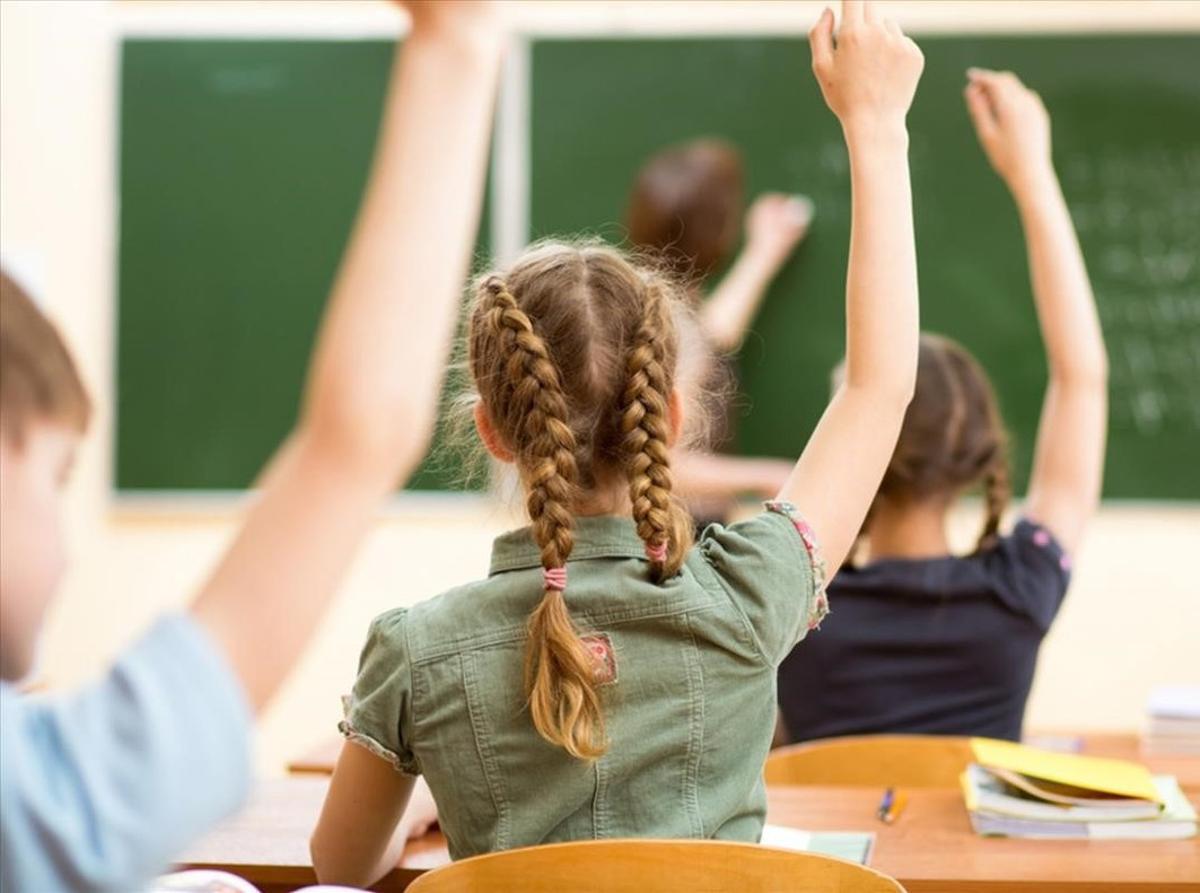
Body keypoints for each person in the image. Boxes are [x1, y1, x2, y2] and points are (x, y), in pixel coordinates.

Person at [312, 3, 924, 884]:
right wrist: (878, 127)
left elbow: (339, 864)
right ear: (670, 421)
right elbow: (879, 389)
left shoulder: (416, 649)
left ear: (490, 428)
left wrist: (424, 794)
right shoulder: (750, 595)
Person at [0, 3, 504, 889]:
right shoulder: (32, 794)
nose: (66, 535)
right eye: (54, 476)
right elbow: (358, 437)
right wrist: (455, 42)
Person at [777, 68, 1109, 744]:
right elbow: (1083, 380)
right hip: (975, 852)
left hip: (833, 856)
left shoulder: (787, 601)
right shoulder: (1018, 591)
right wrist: (1032, 176)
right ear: (974, 454)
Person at [626, 139, 813, 525]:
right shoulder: (676, 331)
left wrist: (764, 252)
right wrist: (769, 476)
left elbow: (714, 335)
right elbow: (660, 462)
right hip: (680, 538)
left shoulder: (652, 307)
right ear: (720, 230)